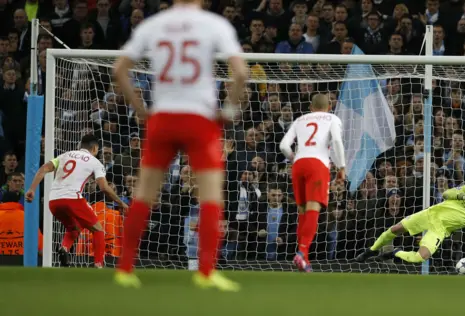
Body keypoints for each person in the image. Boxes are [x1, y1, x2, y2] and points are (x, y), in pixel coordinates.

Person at [112, 0, 248, 290]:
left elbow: (120, 69)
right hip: (200, 120)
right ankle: (206, 272)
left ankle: (124, 268)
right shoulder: (215, 25)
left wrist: (139, 109)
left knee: (144, 194)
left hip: (162, 118)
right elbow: (240, 73)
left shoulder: (154, 24)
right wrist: (229, 110)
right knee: (212, 196)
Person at [355, 180, 465, 269]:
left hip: (440, 229)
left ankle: (395, 253)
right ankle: (370, 251)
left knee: (420, 257)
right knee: (395, 229)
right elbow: (446, 193)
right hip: (431, 214)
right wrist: (462, 197)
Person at [24, 134, 127, 268]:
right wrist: (121, 203)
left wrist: (32, 189)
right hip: (72, 199)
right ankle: (98, 264)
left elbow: (43, 169)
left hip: (54, 201)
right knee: (98, 230)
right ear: (95, 148)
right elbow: (104, 187)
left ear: (80, 146)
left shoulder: (65, 155)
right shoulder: (95, 162)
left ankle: (64, 248)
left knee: (75, 228)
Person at [279, 93, 346, 272]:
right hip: (318, 165)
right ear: (329, 106)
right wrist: (341, 166)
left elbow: (283, 146)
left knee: (302, 210)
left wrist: (294, 158)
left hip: (299, 165)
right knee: (313, 209)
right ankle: (301, 252)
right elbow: (338, 141)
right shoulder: (332, 118)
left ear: (310, 107)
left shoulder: (300, 119)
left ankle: (305, 260)